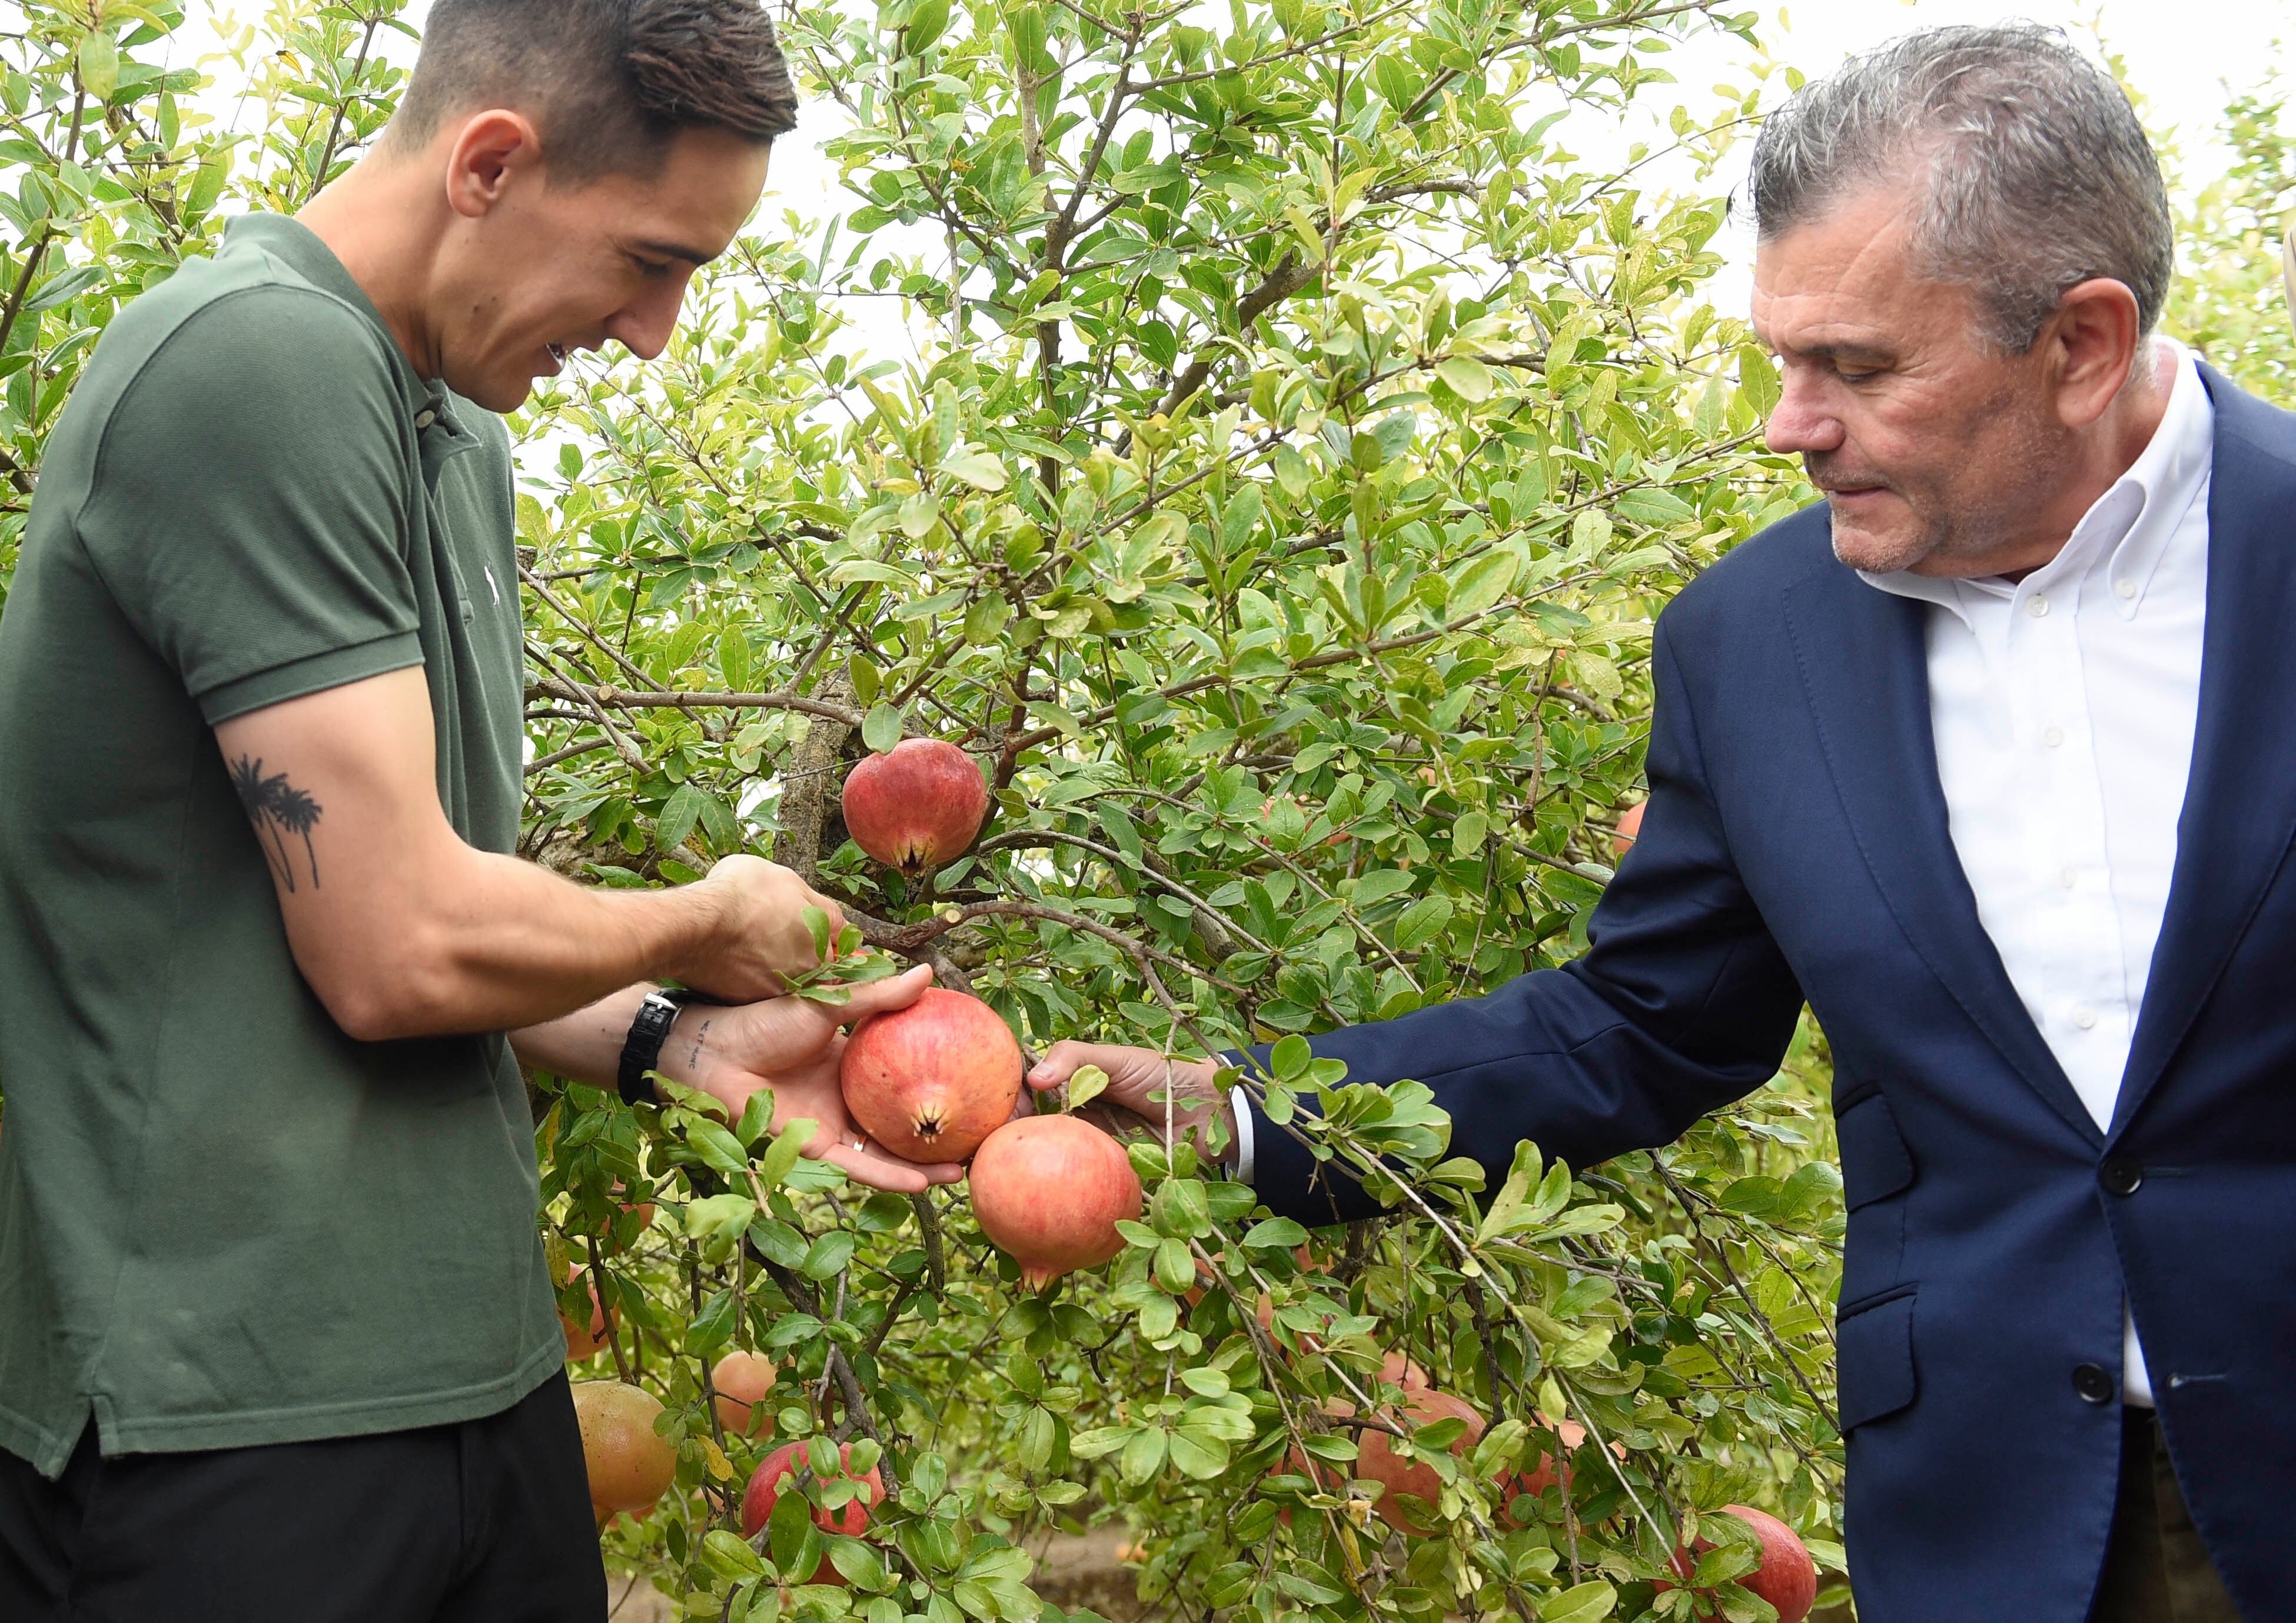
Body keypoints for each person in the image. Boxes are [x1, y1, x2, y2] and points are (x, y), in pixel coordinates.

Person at [1032, 24, 2289, 1623]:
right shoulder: (1750, 643)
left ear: (2084, 341)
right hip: (2004, 1521)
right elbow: (1643, 1026)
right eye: (1782, 356)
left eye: (1858, 366)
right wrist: (1261, 1114)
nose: (1789, 424)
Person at [0, 4, 952, 1618]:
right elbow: (397, 947)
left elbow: (421, 904)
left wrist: (676, 1040)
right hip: (222, 1424)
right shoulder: (255, 360)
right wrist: (711, 919)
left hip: (469, 1380)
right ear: (491, 163)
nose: (653, 334)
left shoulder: (453, 438)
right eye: (651, 261)